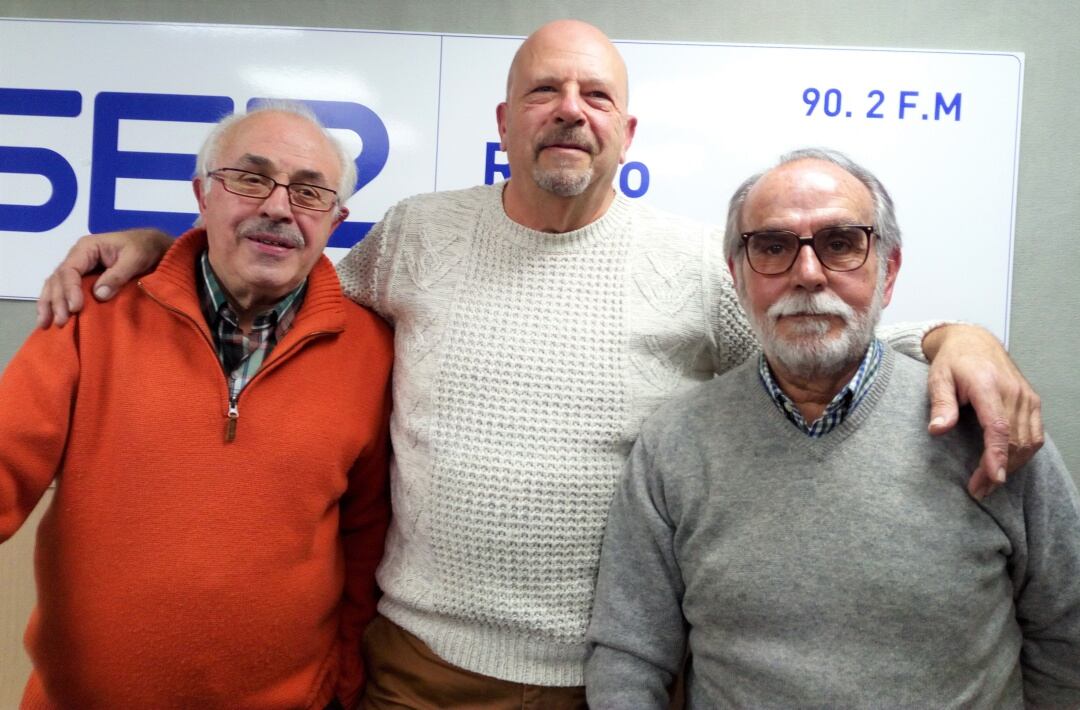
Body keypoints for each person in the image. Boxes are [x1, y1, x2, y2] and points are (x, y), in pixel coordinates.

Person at [33, 21, 1042, 708]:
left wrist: (960, 339)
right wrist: (152, 244)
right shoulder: (417, 238)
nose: (570, 108)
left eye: (595, 93)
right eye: (544, 91)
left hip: (608, 678)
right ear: (505, 122)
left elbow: (818, 344)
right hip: (417, 672)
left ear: (627, 131)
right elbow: (279, 275)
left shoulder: (698, 265)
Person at [585, 149, 1080, 708]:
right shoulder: (675, 443)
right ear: (739, 277)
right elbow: (629, 657)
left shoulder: (989, 425)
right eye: (772, 247)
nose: (808, 274)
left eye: (840, 243)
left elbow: (1067, 635)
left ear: (887, 272)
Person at [0, 102, 393, 709]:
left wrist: (341, 684)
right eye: (251, 178)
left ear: (336, 220)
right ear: (202, 194)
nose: (278, 207)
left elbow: (366, 541)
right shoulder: (94, 313)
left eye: (310, 193)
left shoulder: (371, 350)